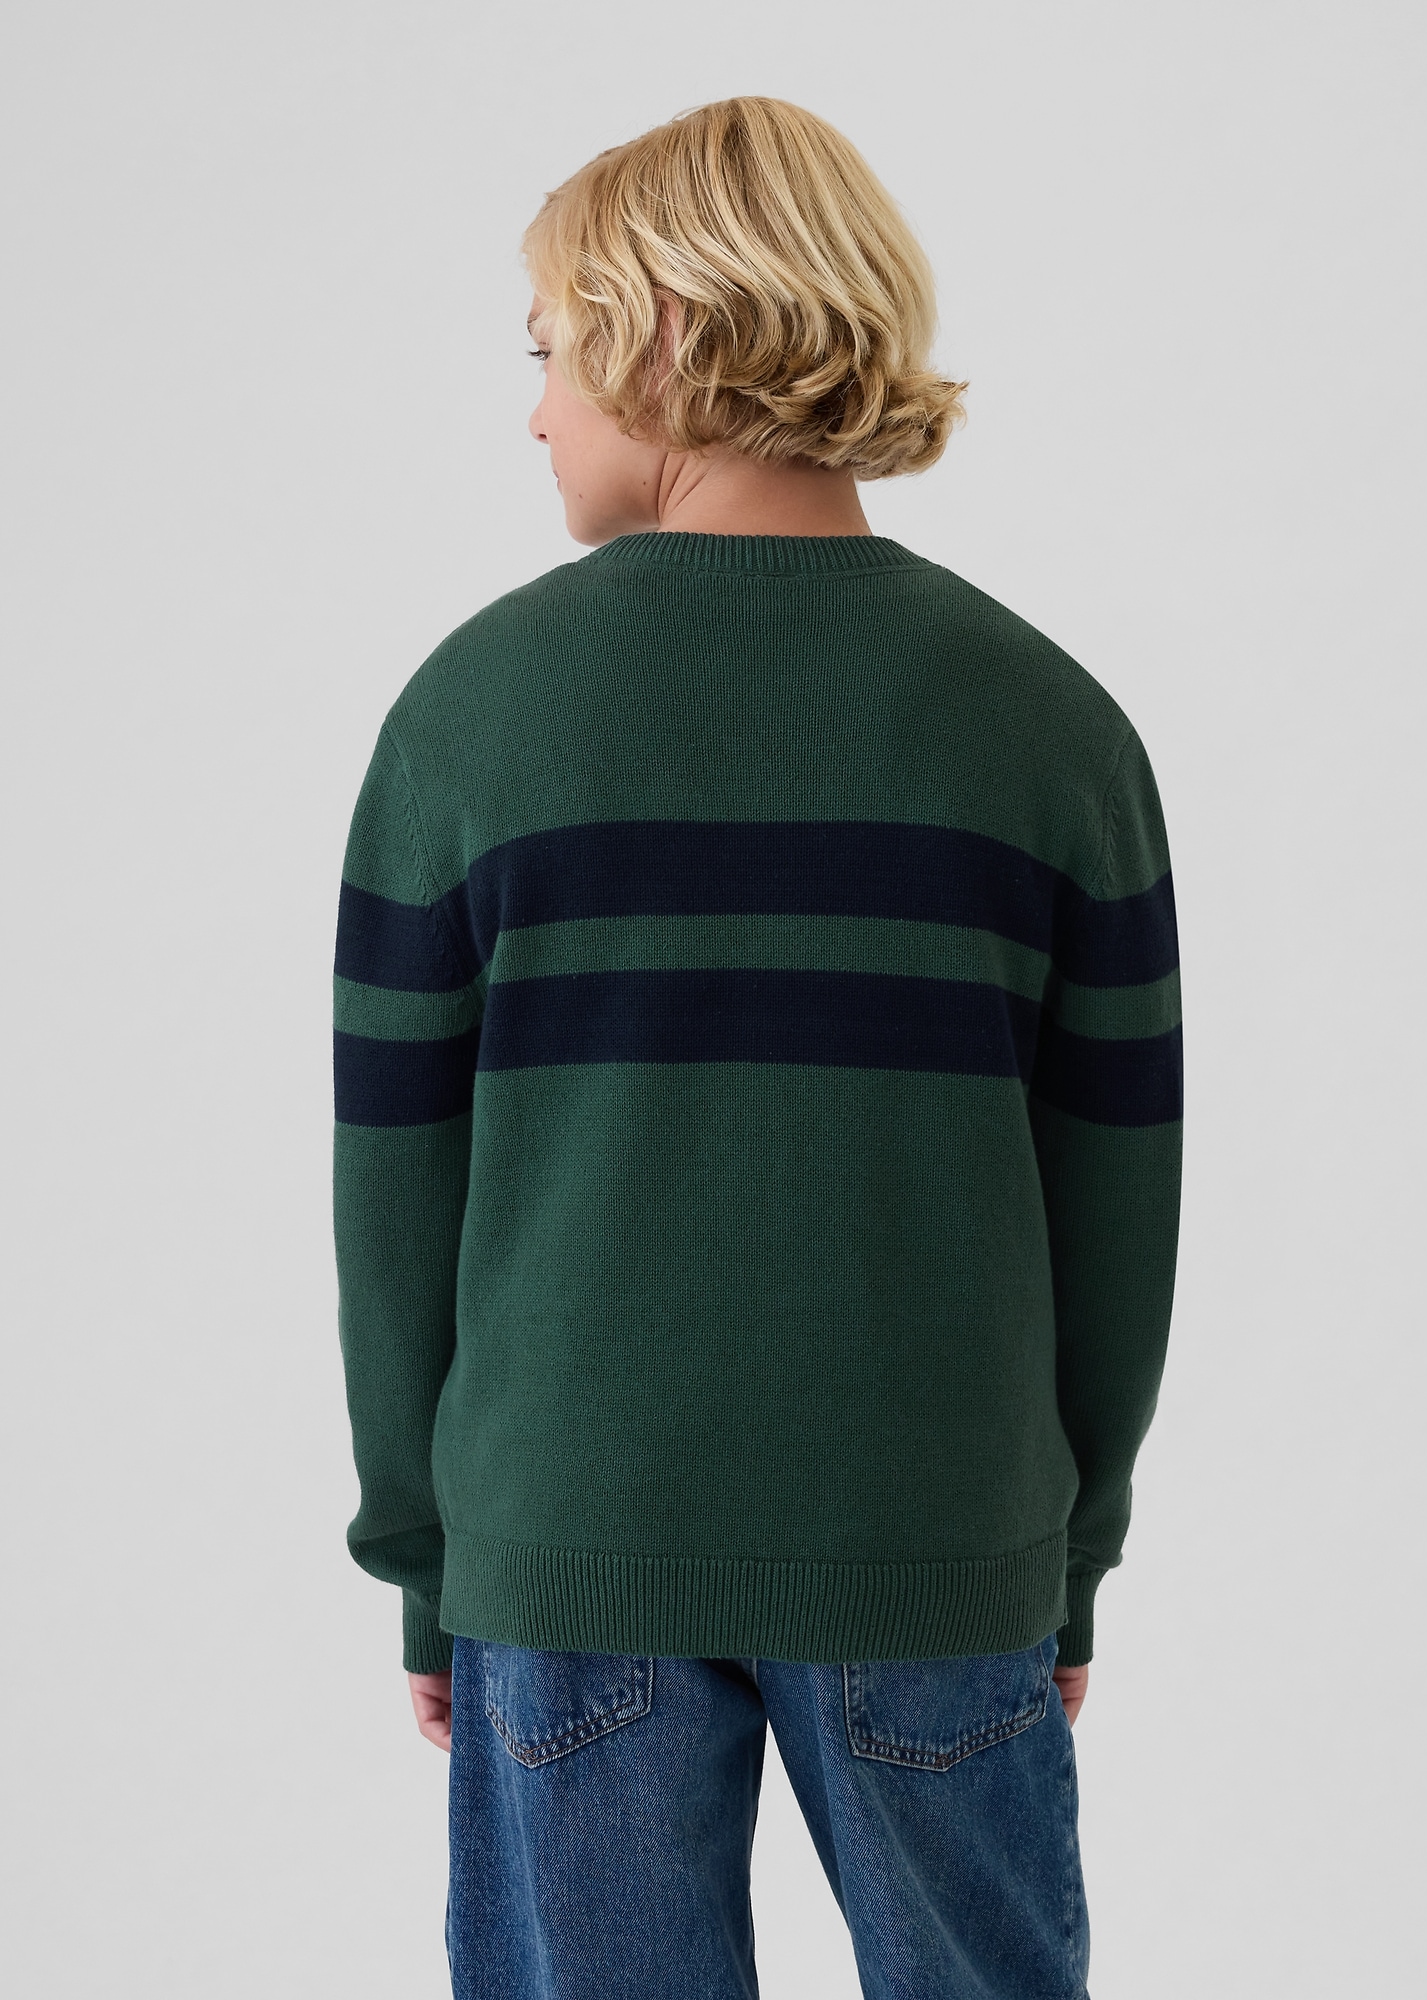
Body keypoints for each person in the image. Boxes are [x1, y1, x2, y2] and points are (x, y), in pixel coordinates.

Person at [332, 95, 1181, 2000]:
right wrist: (1067, 1558)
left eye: (547, 352)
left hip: (568, 1549)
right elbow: (1119, 1195)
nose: (534, 413)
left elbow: (394, 1194)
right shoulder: (1049, 726)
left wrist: (430, 1563)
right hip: (936, 1538)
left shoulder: (471, 718)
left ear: (660, 333)